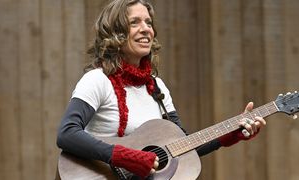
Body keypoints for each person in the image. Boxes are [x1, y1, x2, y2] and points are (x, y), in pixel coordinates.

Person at [56, 0, 266, 179]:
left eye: (148, 22)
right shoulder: (97, 80)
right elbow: (67, 134)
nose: (146, 28)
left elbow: (184, 146)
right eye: (134, 22)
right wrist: (124, 157)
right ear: (115, 33)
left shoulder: (156, 86)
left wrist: (230, 134)